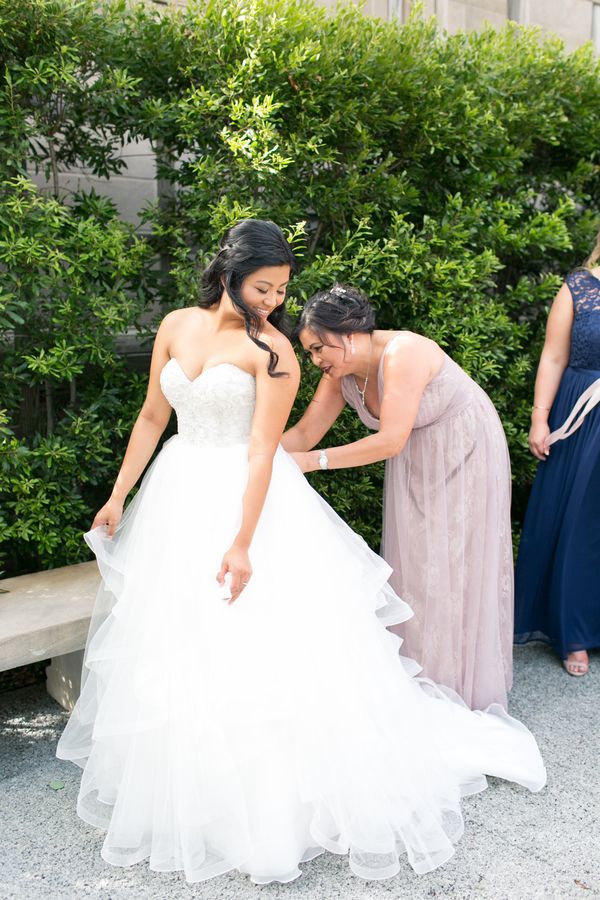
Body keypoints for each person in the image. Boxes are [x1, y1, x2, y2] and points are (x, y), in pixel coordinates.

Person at [57, 223, 545, 886]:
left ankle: (270, 808)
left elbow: (266, 448)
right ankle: (190, 789)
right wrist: (119, 494)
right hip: (176, 492)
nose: (271, 301)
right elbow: (151, 416)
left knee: (264, 647)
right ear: (229, 270)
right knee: (178, 641)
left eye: (282, 291)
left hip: (248, 499)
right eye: (264, 287)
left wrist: (241, 540)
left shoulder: (277, 351)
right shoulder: (176, 325)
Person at [284, 285, 514, 711]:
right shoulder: (341, 375)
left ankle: (462, 689)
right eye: (310, 352)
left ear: (349, 334)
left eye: (319, 348)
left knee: (456, 563)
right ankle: (422, 680)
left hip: (466, 447)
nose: (316, 360)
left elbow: (389, 440)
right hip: (416, 457)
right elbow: (303, 434)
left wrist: (309, 463)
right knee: (415, 564)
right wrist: (256, 460)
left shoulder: (402, 353)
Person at [514, 240, 600, 676]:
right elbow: (553, 355)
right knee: (580, 522)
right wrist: (540, 417)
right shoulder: (579, 286)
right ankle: (575, 631)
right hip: (581, 414)